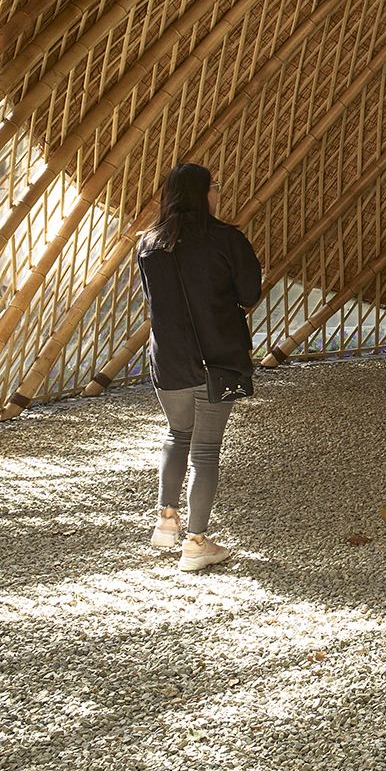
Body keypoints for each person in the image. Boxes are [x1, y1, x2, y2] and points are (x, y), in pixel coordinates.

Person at [136, 162, 261, 571]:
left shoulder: (148, 243)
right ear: (202, 193)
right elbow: (249, 293)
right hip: (219, 360)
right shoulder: (226, 239)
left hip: (168, 360)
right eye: (215, 187)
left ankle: (165, 522)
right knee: (205, 451)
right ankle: (196, 543)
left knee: (177, 434)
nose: (218, 193)